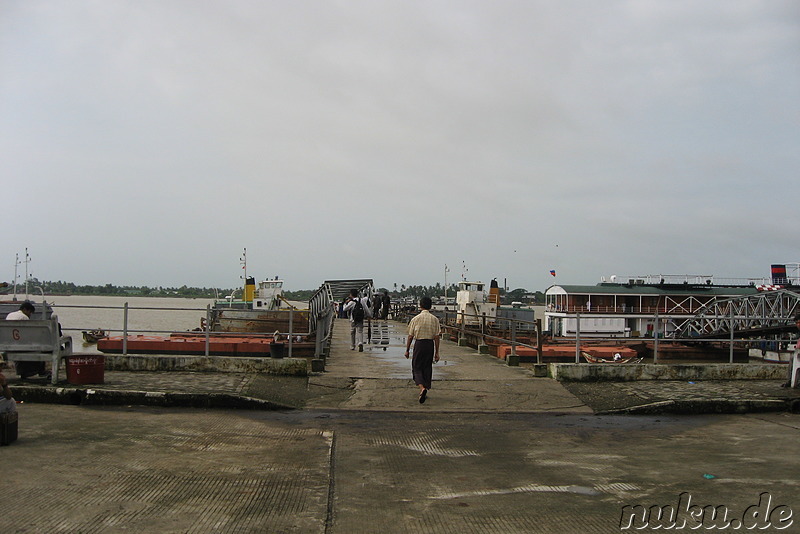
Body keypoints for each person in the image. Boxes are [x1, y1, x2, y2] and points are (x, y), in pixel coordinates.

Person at [404, 296, 440, 404]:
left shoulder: (415, 319)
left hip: (419, 344)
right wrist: (437, 352)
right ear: (430, 306)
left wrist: (407, 350)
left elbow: (410, 336)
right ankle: (425, 388)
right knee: (427, 367)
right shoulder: (435, 319)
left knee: (416, 367)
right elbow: (437, 337)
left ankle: (422, 388)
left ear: (420, 306)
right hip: (429, 345)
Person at [5, 302, 49, 380]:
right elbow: (28, 334)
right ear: (25, 309)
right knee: (38, 347)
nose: (30, 314)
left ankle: (24, 372)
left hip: (9, 346)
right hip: (20, 346)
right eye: (30, 312)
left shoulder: (10, 315)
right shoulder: (24, 317)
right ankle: (41, 372)